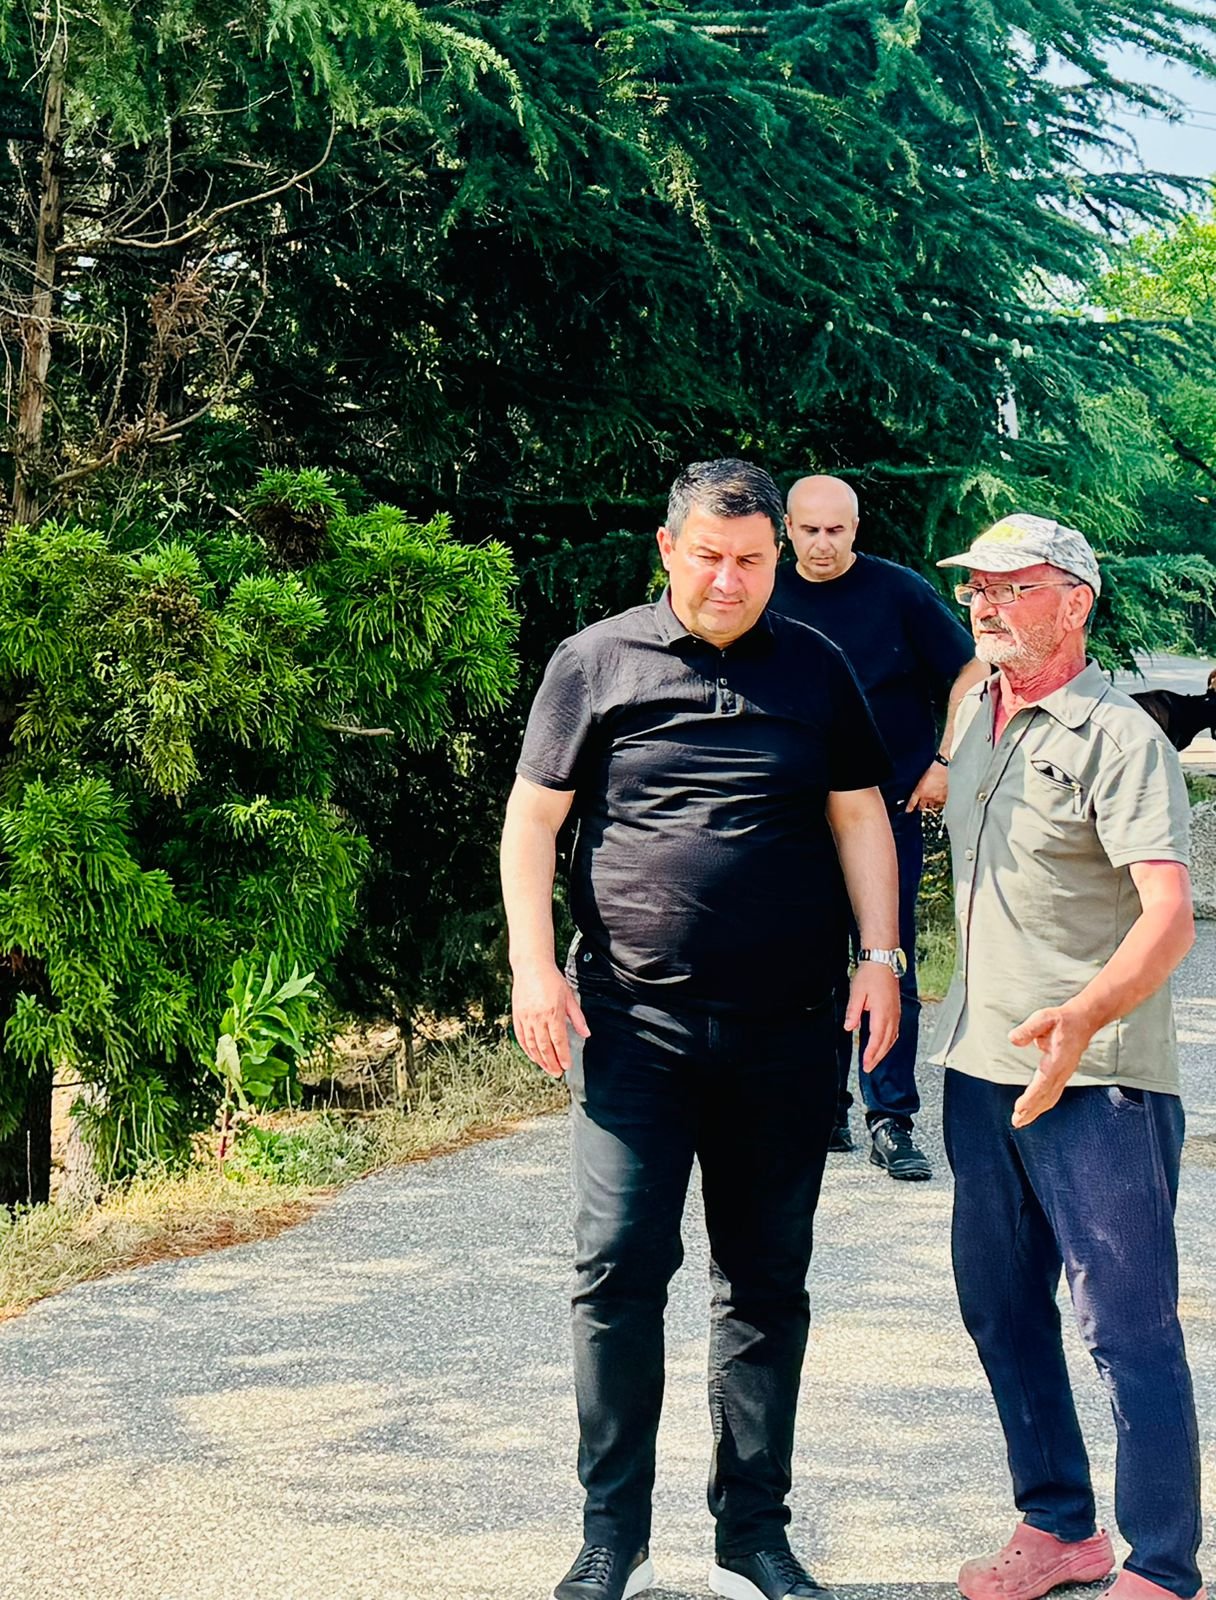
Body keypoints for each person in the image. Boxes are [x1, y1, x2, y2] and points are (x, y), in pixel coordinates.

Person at [500, 458, 901, 1600]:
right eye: (710, 557)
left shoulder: (815, 666)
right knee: (616, 1272)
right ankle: (611, 1537)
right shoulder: (595, 661)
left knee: (765, 1284)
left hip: (789, 1027)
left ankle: (753, 1536)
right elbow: (534, 821)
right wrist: (534, 966)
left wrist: (881, 959)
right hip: (633, 1026)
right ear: (668, 550)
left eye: (753, 560)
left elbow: (859, 816)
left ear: (778, 560)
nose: (730, 580)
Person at [929, 512, 1205, 1600]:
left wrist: (1084, 1015)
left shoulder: (1120, 739)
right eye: (977, 586)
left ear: (1076, 602)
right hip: (981, 1067)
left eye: (1014, 586)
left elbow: (1168, 918)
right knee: (999, 1309)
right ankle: (1057, 1527)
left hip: (1099, 1081)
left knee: (1127, 1329)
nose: (986, 603)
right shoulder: (979, 713)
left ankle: (1163, 1564)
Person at [770, 475, 985, 1180]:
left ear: (855, 529)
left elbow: (971, 671)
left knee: (886, 957)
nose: (822, 543)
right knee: (803, 960)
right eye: (809, 530)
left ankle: (890, 1118)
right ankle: (821, 1108)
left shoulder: (897, 592)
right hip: (794, 813)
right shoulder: (764, 592)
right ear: (787, 529)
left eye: (836, 530)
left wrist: (945, 761)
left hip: (887, 809)